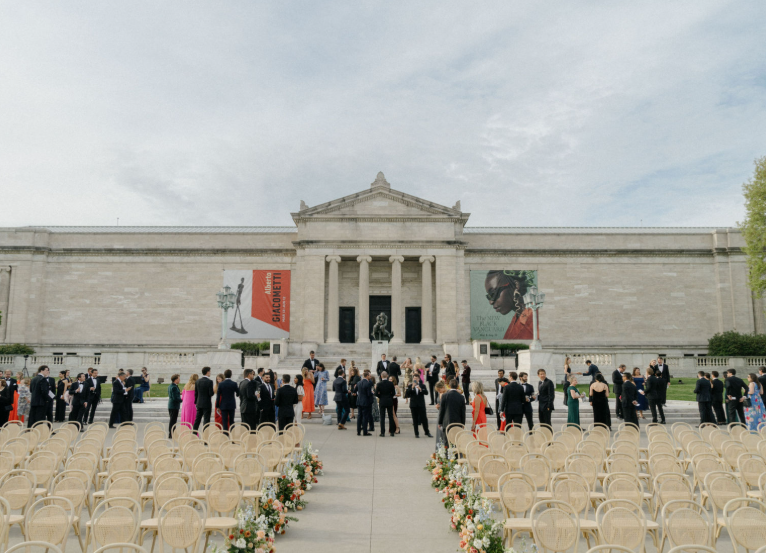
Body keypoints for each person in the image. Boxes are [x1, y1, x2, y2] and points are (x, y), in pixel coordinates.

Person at [483, 270, 534, 339]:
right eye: (489, 296)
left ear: (516, 285)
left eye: (493, 293)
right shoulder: (516, 318)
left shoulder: (534, 317)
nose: (491, 302)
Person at [192, 367, 214, 432]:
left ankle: (194, 434)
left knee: (197, 420)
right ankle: (205, 435)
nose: (210, 373)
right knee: (206, 421)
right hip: (207, 403)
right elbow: (211, 393)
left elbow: (196, 393)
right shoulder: (210, 381)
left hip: (199, 403)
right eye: (209, 371)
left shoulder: (198, 381)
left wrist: (196, 402)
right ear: (207, 372)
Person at [375, 371, 396, 437]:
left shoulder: (379, 384)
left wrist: (380, 396)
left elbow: (376, 393)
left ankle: (382, 432)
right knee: (391, 416)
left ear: (381, 376)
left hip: (382, 401)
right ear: (387, 376)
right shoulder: (390, 384)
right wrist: (390, 396)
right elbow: (393, 393)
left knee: (382, 417)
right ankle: (392, 432)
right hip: (389, 400)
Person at [356, 369, 373, 436]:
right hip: (365, 402)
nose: (370, 376)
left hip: (359, 401)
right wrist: (372, 393)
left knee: (359, 416)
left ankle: (358, 431)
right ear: (367, 376)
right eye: (369, 375)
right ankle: (365, 432)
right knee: (365, 417)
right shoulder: (368, 383)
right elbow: (369, 394)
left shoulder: (359, 383)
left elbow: (355, 390)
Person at [167, 374, 182, 438]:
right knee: (173, 420)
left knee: (172, 420)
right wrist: (182, 400)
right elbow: (175, 398)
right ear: (175, 380)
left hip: (171, 405)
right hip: (174, 406)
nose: (179, 380)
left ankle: (172, 433)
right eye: (178, 379)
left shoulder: (171, 386)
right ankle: (171, 434)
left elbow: (174, 394)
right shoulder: (174, 387)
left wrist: (180, 393)